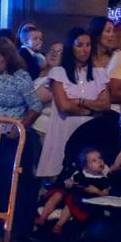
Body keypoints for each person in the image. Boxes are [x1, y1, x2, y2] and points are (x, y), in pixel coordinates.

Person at [0, 37, 42, 242]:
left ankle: (10, 230)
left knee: (8, 184)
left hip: (8, 138)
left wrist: (19, 127)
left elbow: (35, 106)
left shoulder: (20, 77)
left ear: (7, 57)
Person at [34, 28, 111, 179]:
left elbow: (105, 104)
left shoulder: (99, 73)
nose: (84, 50)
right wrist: (91, 109)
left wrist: (81, 101)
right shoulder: (59, 73)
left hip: (90, 133)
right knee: (62, 179)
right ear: (71, 47)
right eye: (79, 45)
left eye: (88, 45)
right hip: (65, 131)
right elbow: (64, 106)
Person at [37, 147, 111, 233]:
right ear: (86, 167)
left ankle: (59, 225)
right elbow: (69, 183)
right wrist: (69, 182)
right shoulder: (79, 175)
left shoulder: (104, 180)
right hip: (69, 195)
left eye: (100, 158)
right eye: (94, 160)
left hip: (84, 202)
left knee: (71, 203)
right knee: (58, 194)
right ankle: (42, 218)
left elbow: (105, 195)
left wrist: (97, 191)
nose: (99, 161)